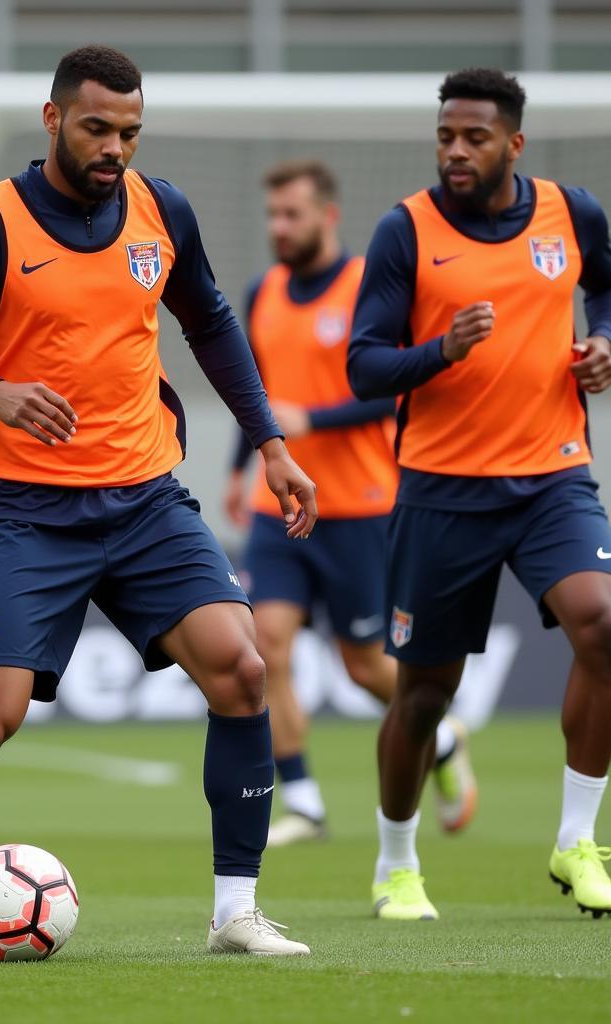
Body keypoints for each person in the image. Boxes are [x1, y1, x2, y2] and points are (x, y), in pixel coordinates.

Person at [0, 45, 318, 959]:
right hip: (31, 513)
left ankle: (234, 913)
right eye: (97, 128)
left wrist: (272, 447)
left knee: (243, 671)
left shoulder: (161, 211)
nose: (115, 148)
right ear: (53, 119)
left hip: (145, 499)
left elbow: (208, 322)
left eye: (130, 131)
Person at [349, 68, 611, 921]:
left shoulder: (572, 214)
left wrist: (603, 339)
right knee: (424, 694)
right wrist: (441, 351)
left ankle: (577, 842)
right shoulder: (406, 231)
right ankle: (396, 864)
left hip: (552, 477)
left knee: (604, 625)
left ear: (514, 144)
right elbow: (364, 365)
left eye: (475, 138)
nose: (456, 151)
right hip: (442, 491)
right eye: (446, 137)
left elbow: (606, 285)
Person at [224, 160, 476, 847]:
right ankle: (303, 801)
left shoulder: (370, 284)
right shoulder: (262, 291)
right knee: (262, 645)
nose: (280, 228)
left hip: (362, 504)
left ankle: (443, 739)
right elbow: (256, 390)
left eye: (293, 215)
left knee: (363, 664)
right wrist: (236, 466)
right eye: (273, 215)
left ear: (328, 216)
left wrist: (314, 421)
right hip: (282, 509)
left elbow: (395, 386)